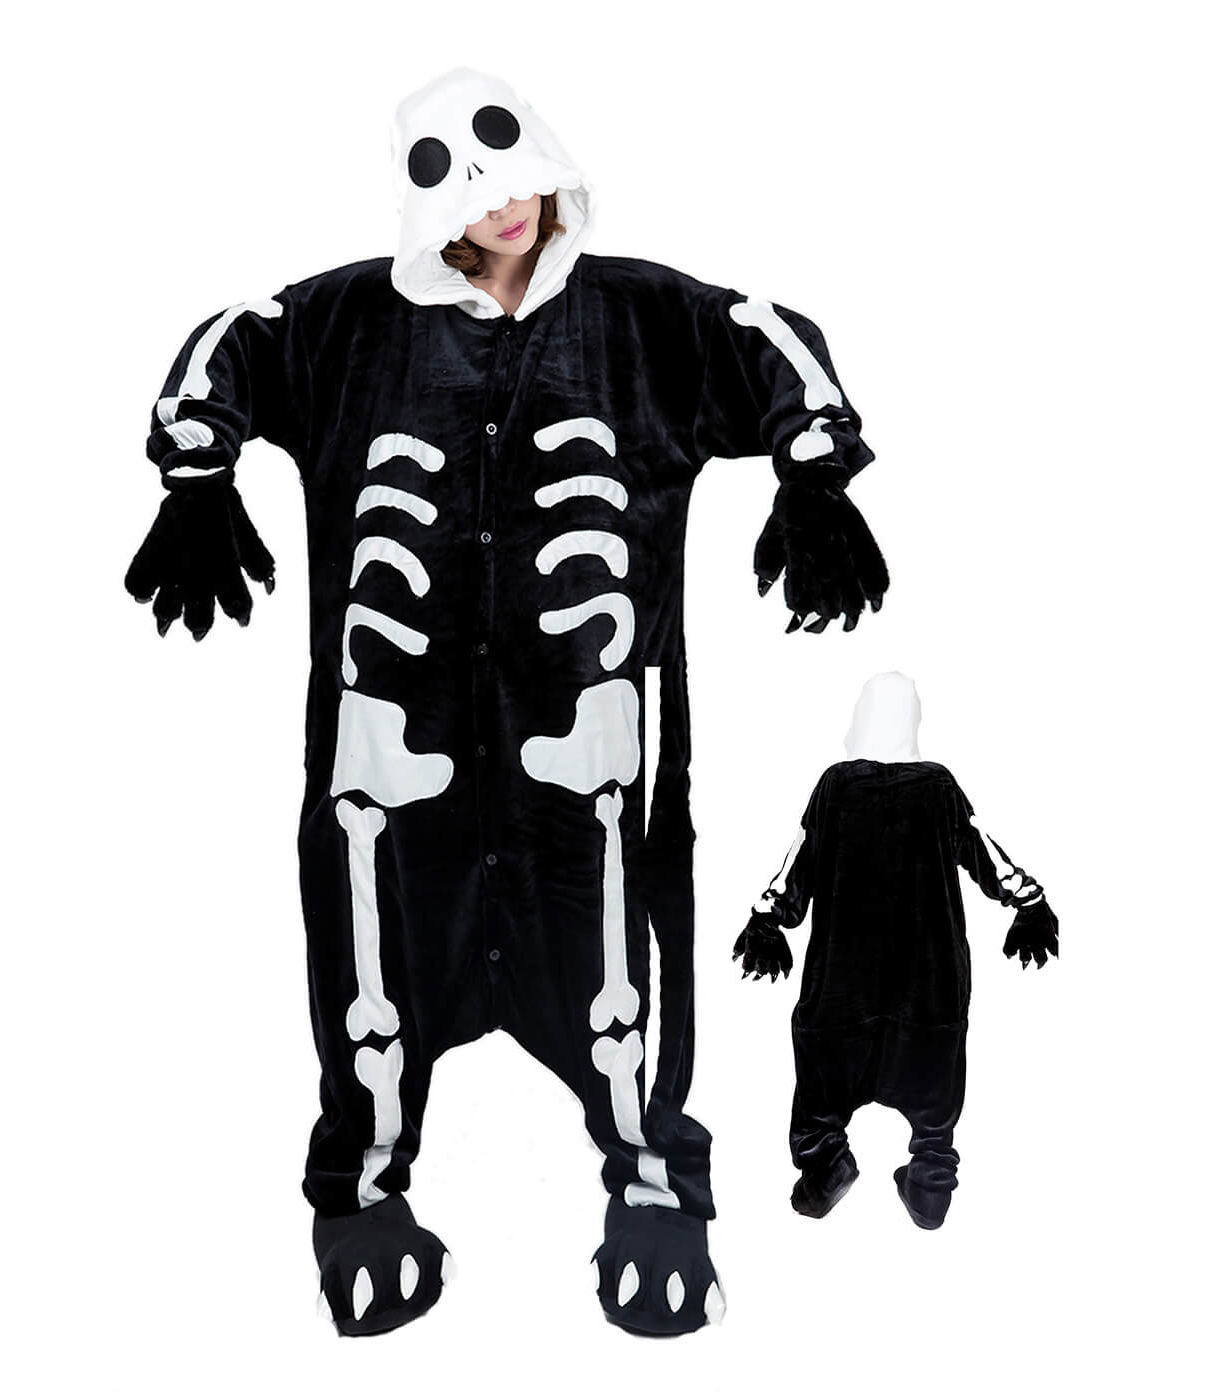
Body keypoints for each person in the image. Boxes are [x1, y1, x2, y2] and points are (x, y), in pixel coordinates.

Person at [124, 65, 889, 1336]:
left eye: (520, 175)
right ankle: (360, 1196)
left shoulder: (638, 317)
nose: (504, 205)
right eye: (470, 189)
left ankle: (653, 1189)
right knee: (369, 952)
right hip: (393, 737)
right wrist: (197, 478)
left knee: (623, 949)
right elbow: (230, 338)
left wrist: (812, 477)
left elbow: (773, 338)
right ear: (424, 200)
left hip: (580, 739)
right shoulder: (347, 322)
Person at [733, 672, 1059, 1229]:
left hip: (844, 981)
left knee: (822, 1084)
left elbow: (799, 859)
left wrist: (769, 918)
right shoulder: (939, 787)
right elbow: (985, 850)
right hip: (927, 987)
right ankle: (930, 1187)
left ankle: (826, 1166)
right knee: (935, 1105)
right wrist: (1028, 901)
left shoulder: (836, 785)